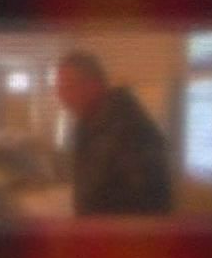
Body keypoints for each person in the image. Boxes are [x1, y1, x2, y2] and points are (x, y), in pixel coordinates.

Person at [53, 51, 173, 214]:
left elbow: (148, 206)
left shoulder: (133, 130)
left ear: (94, 86)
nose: (61, 96)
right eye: (59, 88)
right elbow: (89, 192)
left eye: (68, 87)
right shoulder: (87, 124)